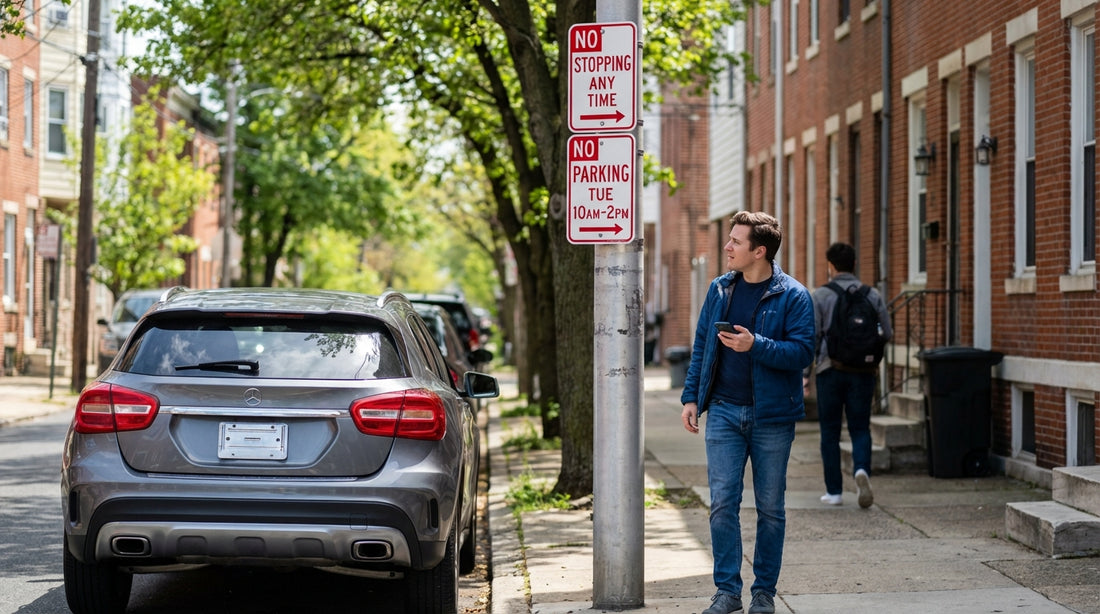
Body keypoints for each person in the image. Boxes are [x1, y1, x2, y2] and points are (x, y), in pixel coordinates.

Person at [680, 211, 816, 614]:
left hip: (772, 417)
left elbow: (802, 352)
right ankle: (726, 592)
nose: (727, 247)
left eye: (736, 242)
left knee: (770, 509)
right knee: (722, 503)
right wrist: (691, 398)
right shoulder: (720, 289)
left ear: (759, 251)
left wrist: (755, 345)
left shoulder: (793, 295)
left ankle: (764, 594)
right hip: (722, 411)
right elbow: (703, 345)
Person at [812, 242, 893, 509]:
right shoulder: (872, 295)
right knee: (860, 427)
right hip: (863, 371)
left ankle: (834, 491)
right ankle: (861, 470)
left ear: (831, 266)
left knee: (830, 431)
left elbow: (811, 336)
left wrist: (804, 372)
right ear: (854, 264)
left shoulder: (821, 295)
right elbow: (887, 333)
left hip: (829, 370)